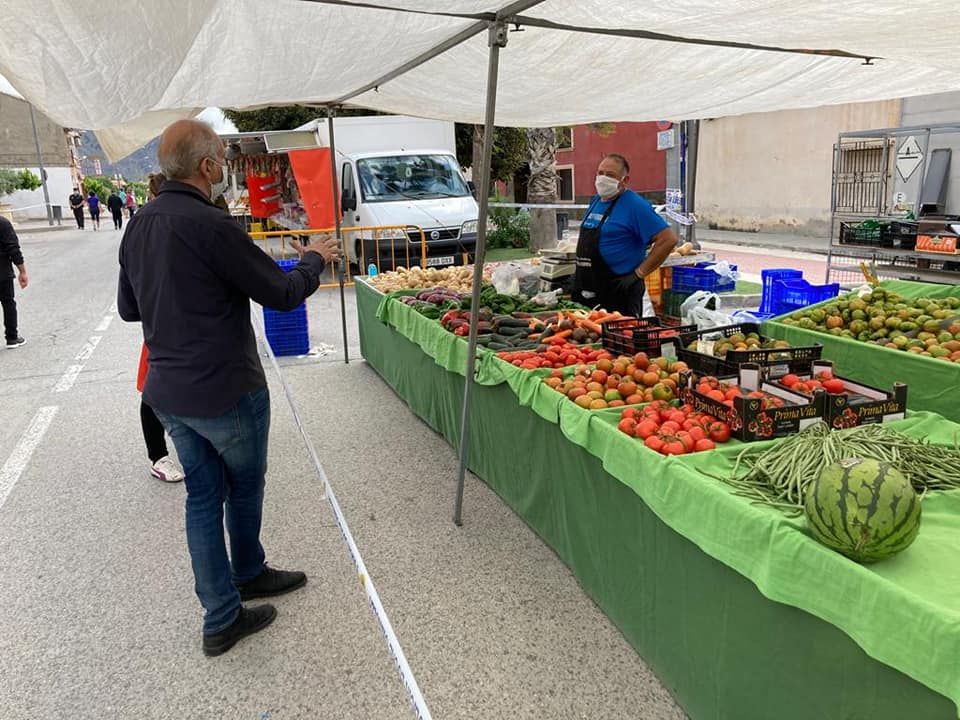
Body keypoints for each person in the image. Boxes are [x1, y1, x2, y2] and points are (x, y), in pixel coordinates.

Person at [118, 119, 341, 656]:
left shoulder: (139, 223)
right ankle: (247, 574)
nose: (223, 165)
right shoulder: (213, 226)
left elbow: (130, 309)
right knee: (242, 488)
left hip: (169, 393)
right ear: (207, 167)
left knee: (201, 497)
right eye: (220, 157)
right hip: (225, 390)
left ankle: (220, 615)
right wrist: (315, 256)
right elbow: (282, 293)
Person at [573, 153, 678, 317]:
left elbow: (668, 239)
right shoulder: (596, 201)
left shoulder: (635, 205)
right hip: (589, 289)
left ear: (625, 180)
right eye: (600, 173)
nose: (603, 178)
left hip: (619, 291)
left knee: (619, 339)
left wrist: (639, 274)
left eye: (610, 175)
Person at [133, 171, 184, 484]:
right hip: (162, 323)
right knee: (154, 391)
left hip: (184, 321)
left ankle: (171, 452)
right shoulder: (146, 226)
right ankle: (158, 456)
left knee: (175, 387)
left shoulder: (180, 221)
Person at [0, 216, 28, 348]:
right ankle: (12, 337)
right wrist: (22, 271)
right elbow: (13, 249)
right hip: (2, 272)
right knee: (8, 302)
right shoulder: (3, 223)